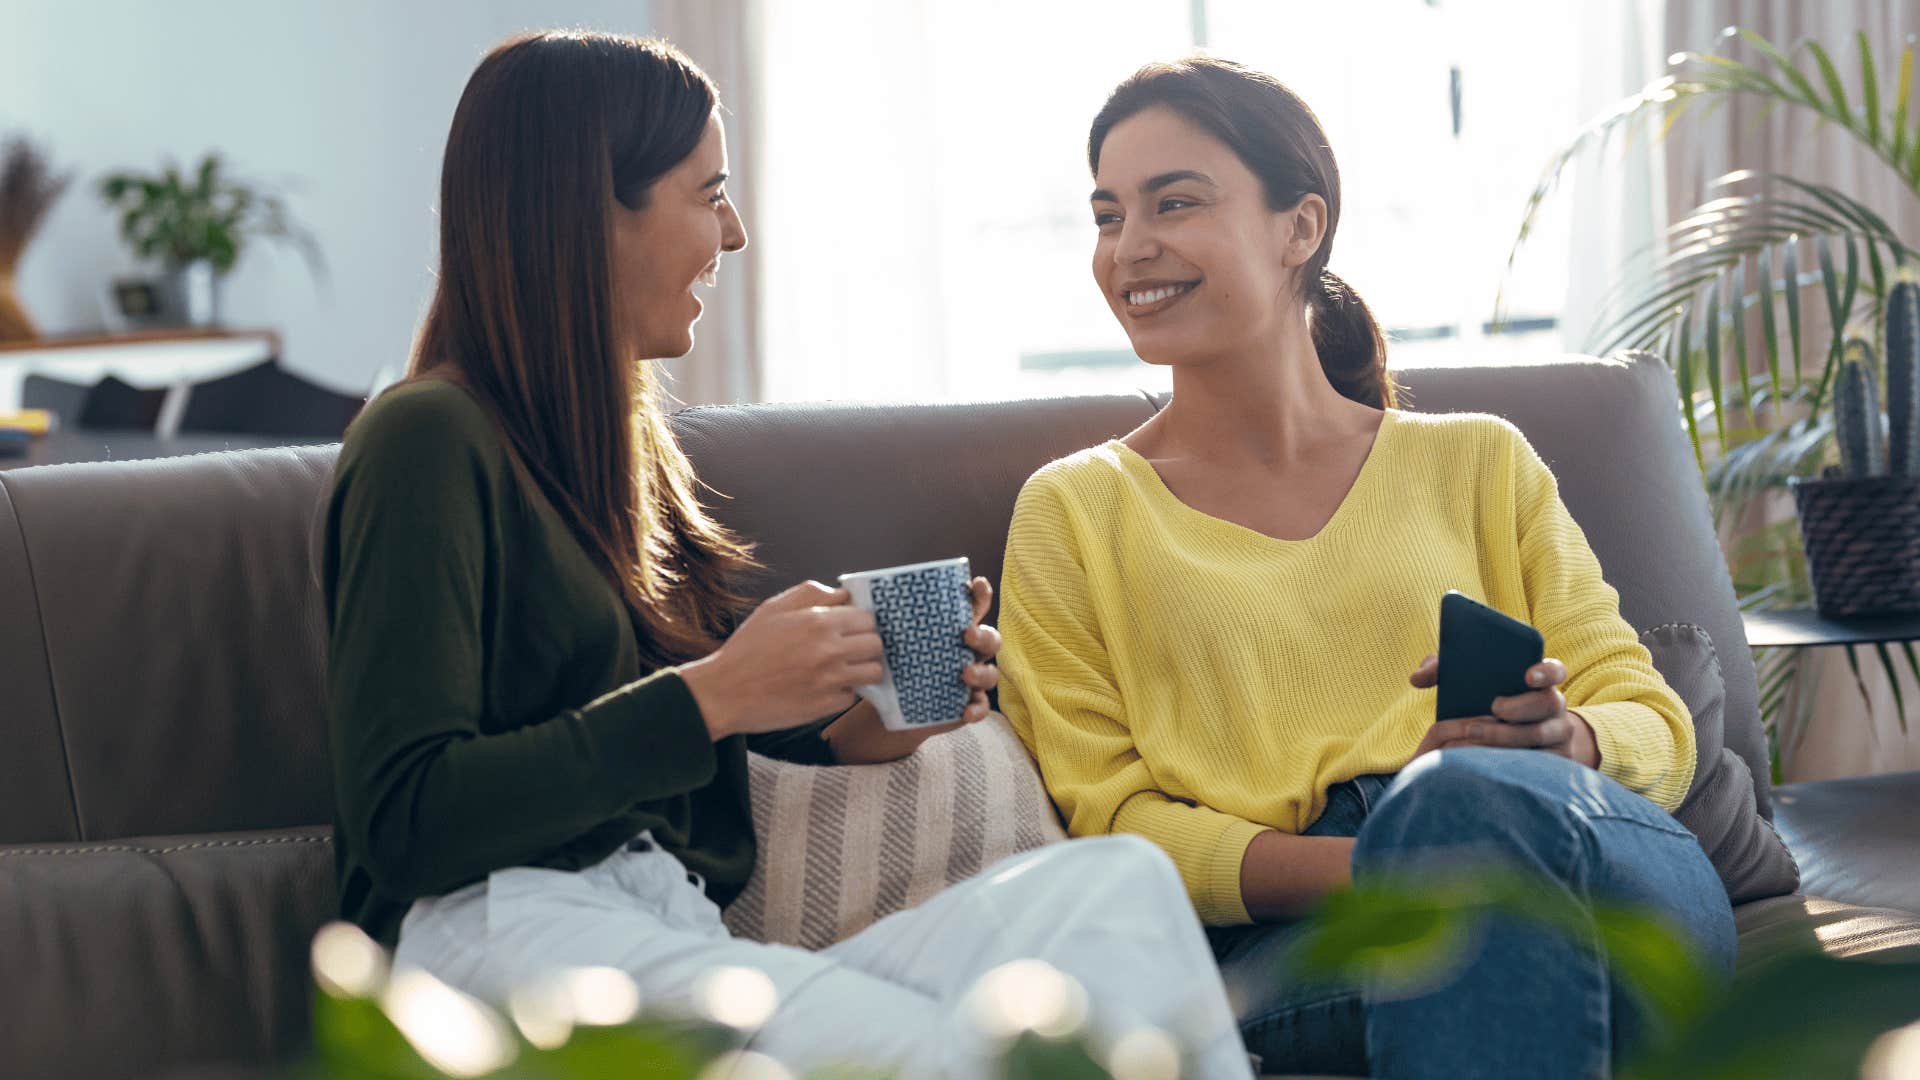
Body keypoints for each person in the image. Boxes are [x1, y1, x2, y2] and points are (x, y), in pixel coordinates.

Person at [321, 32, 1254, 1079]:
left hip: (661, 927)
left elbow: (663, 755)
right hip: (494, 939)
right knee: (957, 1056)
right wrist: (716, 693)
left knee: (1116, 891)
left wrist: (857, 727)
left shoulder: (618, 456)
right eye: (705, 191)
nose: (734, 230)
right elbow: (407, 819)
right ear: (591, 213)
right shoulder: (427, 438)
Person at [996, 56, 1736, 1080]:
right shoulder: (1075, 511)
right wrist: (1406, 867)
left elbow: (1653, 719)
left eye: (1174, 203)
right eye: (1108, 215)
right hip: (1312, 929)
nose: (1131, 247)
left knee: (1474, 805)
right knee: (1490, 913)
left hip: (1584, 849)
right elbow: (1112, 819)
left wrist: (1570, 740)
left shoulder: (1479, 459)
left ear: (1299, 226)